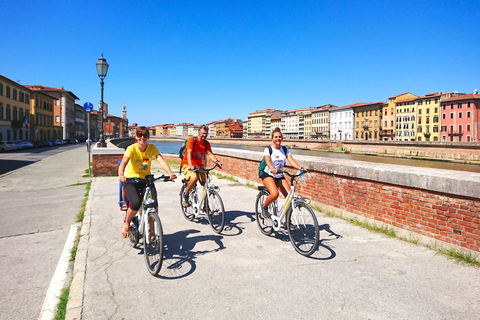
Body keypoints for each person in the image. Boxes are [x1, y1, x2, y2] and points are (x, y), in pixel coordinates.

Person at [118, 126, 177, 238]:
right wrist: (121, 175)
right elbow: (124, 163)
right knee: (135, 203)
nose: (142, 138)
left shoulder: (152, 148)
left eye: (145, 135)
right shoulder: (131, 148)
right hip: (131, 180)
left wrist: (170, 173)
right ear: (136, 136)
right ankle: (127, 221)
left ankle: (152, 231)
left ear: (148, 137)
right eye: (140, 135)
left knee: (153, 205)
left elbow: (161, 161)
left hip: (146, 180)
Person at [260, 127, 306, 218]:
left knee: (290, 198)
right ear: (272, 138)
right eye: (276, 137)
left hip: (280, 175)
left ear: (282, 138)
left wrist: (301, 168)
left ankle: (287, 222)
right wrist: (272, 168)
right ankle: (264, 207)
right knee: (275, 194)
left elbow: (292, 162)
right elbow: (268, 161)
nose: (278, 139)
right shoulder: (268, 149)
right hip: (268, 174)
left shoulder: (285, 149)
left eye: (280, 137)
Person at [181, 124, 222, 206]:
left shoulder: (206, 144)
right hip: (187, 164)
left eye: (206, 134)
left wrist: (217, 162)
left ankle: (206, 205)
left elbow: (210, 154)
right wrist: (190, 164)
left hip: (200, 166)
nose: (205, 135)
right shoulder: (192, 140)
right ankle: (186, 194)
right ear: (198, 132)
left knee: (207, 184)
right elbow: (189, 152)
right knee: (194, 178)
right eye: (203, 133)